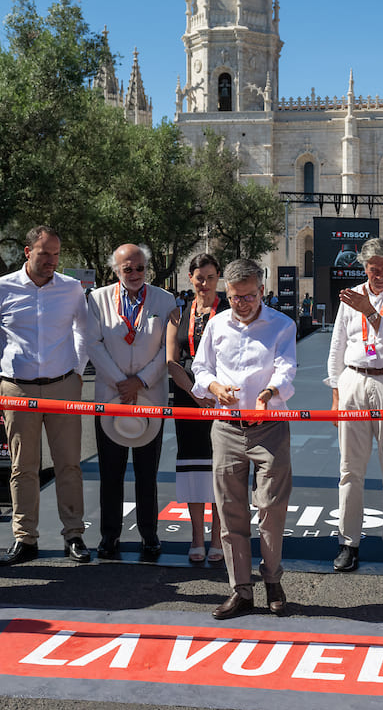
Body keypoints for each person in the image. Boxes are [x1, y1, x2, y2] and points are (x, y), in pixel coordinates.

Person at [191, 258, 297, 619]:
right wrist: (214, 386)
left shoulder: (282, 325)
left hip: (269, 427)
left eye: (249, 297)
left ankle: (272, 581)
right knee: (230, 511)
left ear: (262, 291)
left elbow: (287, 366)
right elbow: (200, 367)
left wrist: (270, 392)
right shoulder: (217, 324)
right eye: (235, 297)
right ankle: (241, 589)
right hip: (226, 428)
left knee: (270, 507)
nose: (242, 304)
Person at [0, 225, 90, 566]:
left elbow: (84, 331)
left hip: (63, 386)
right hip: (17, 387)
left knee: (69, 464)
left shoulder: (72, 288)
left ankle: (74, 534)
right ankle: (24, 538)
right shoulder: (0, 288)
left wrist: (76, 371)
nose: (52, 261)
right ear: (27, 252)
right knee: (23, 466)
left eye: (56, 255)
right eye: (45, 254)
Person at [326, 237, 383, 574]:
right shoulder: (349, 296)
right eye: (372, 268)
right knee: (350, 468)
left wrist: (369, 310)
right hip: (354, 380)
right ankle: (348, 542)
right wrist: (336, 390)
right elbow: (338, 344)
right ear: (364, 267)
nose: (377, 274)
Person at [86, 244, 175, 561]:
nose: (135, 274)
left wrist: (140, 382)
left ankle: (149, 535)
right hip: (110, 398)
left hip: (149, 397)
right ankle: (109, 536)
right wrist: (120, 383)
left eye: (140, 268)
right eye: (128, 269)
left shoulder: (165, 301)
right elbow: (92, 344)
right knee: (111, 472)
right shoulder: (97, 300)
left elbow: (169, 349)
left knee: (147, 472)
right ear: (116, 270)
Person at [166, 253, 228, 562]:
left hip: (221, 397)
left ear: (219, 279)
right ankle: (196, 537)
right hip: (187, 397)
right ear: (190, 278)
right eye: (199, 277)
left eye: (210, 277)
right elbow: (171, 362)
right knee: (192, 468)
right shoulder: (178, 314)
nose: (204, 283)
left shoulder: (229, 310)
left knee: (219, 468)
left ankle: (217, 536)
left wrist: (211, 392)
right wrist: (194, 392)